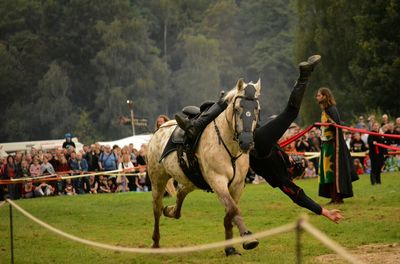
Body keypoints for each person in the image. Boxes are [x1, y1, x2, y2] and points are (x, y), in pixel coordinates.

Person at [175, 55, 342, 223]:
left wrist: (324, 212)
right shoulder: (282, 173)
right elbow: (298, 195)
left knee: (290, 112)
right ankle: (198, 120)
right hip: (252, 139)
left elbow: (300, 197)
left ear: (291, 169)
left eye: (293, 161)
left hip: (260, 144)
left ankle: (304, 75)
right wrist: (325, 212)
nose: (292, 158)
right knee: (230, 106)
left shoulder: (282, 179)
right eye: (294, 159)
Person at [315, 87, 358, 204]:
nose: (317, 97)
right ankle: (333, 197)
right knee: (327, 173)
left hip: (333, 146)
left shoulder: (331, 110)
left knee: (334, 172)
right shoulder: (325, 110)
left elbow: (336, 127)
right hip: (326, 145)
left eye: (319, 95)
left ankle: (338, 197)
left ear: (324, 96)